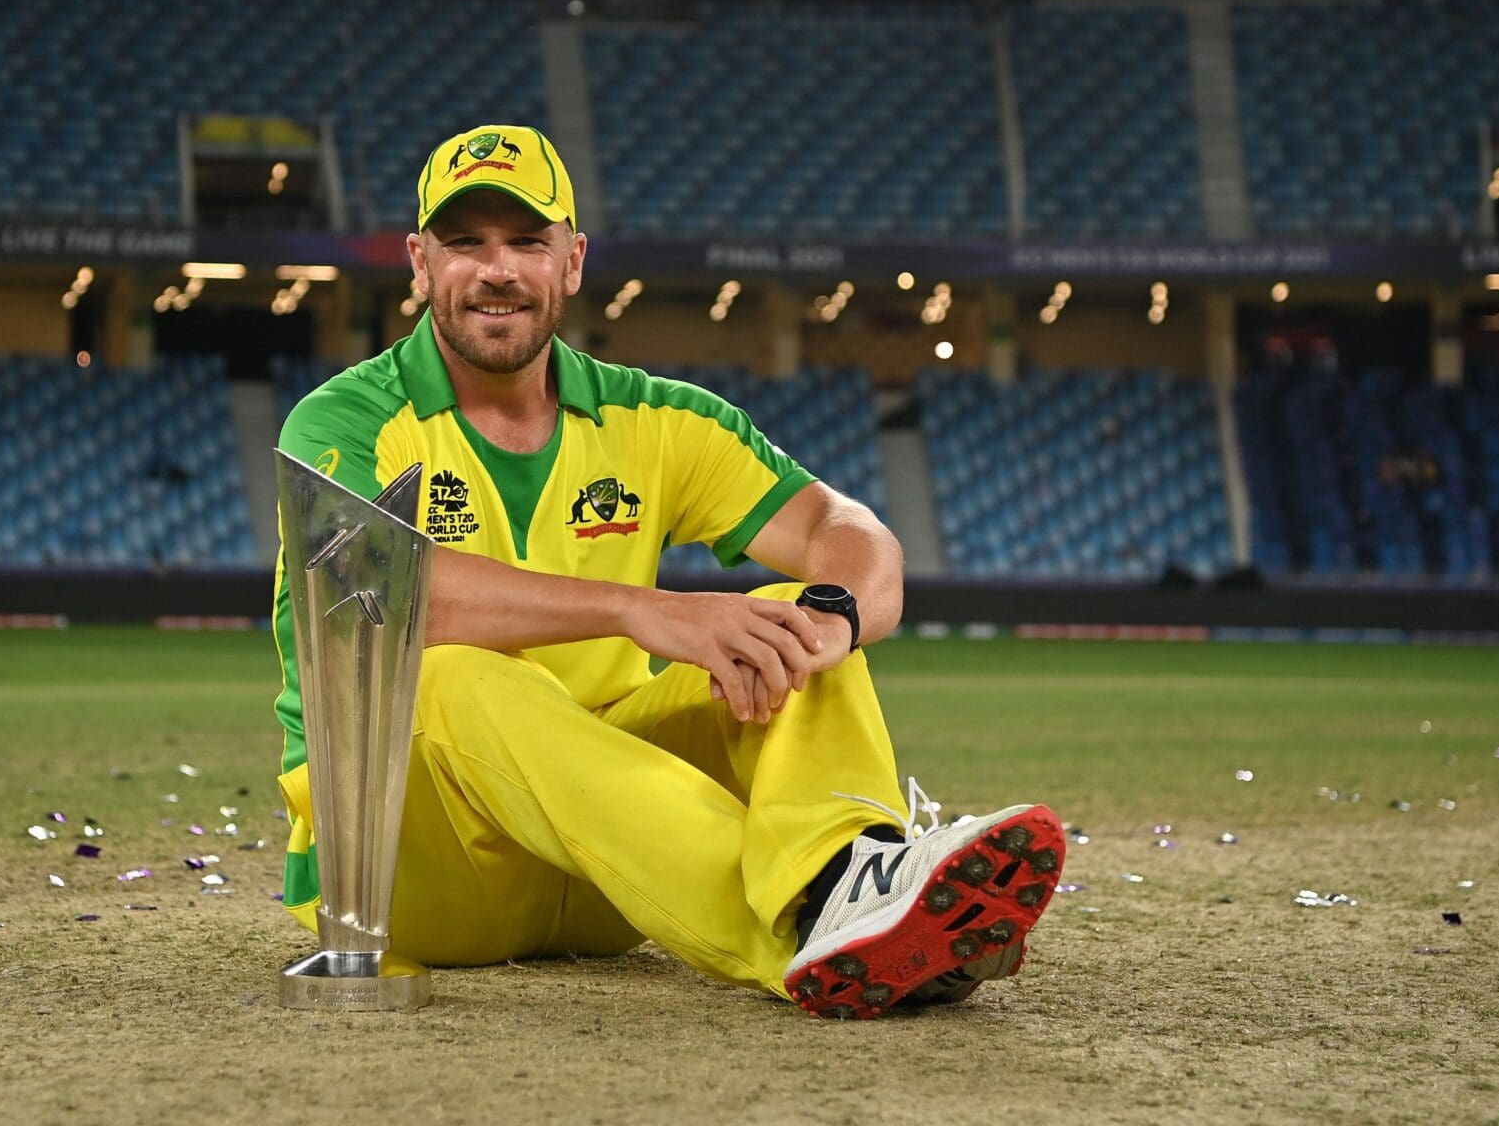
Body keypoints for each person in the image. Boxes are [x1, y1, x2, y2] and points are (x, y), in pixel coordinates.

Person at [268, 124, 1065, 1019]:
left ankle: (848, 869)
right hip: (417, 876)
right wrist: (637, 610)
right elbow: (377, 597)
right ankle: (817, 927)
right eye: (466, 244)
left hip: (614, 875)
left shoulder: (653, 417)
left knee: (779, 617)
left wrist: (831, 617)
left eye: (528, 242)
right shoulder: (344, 421)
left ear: (572, 262)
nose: (497, 270)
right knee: (444, 676)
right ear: (419, 264)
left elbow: (850, 530)